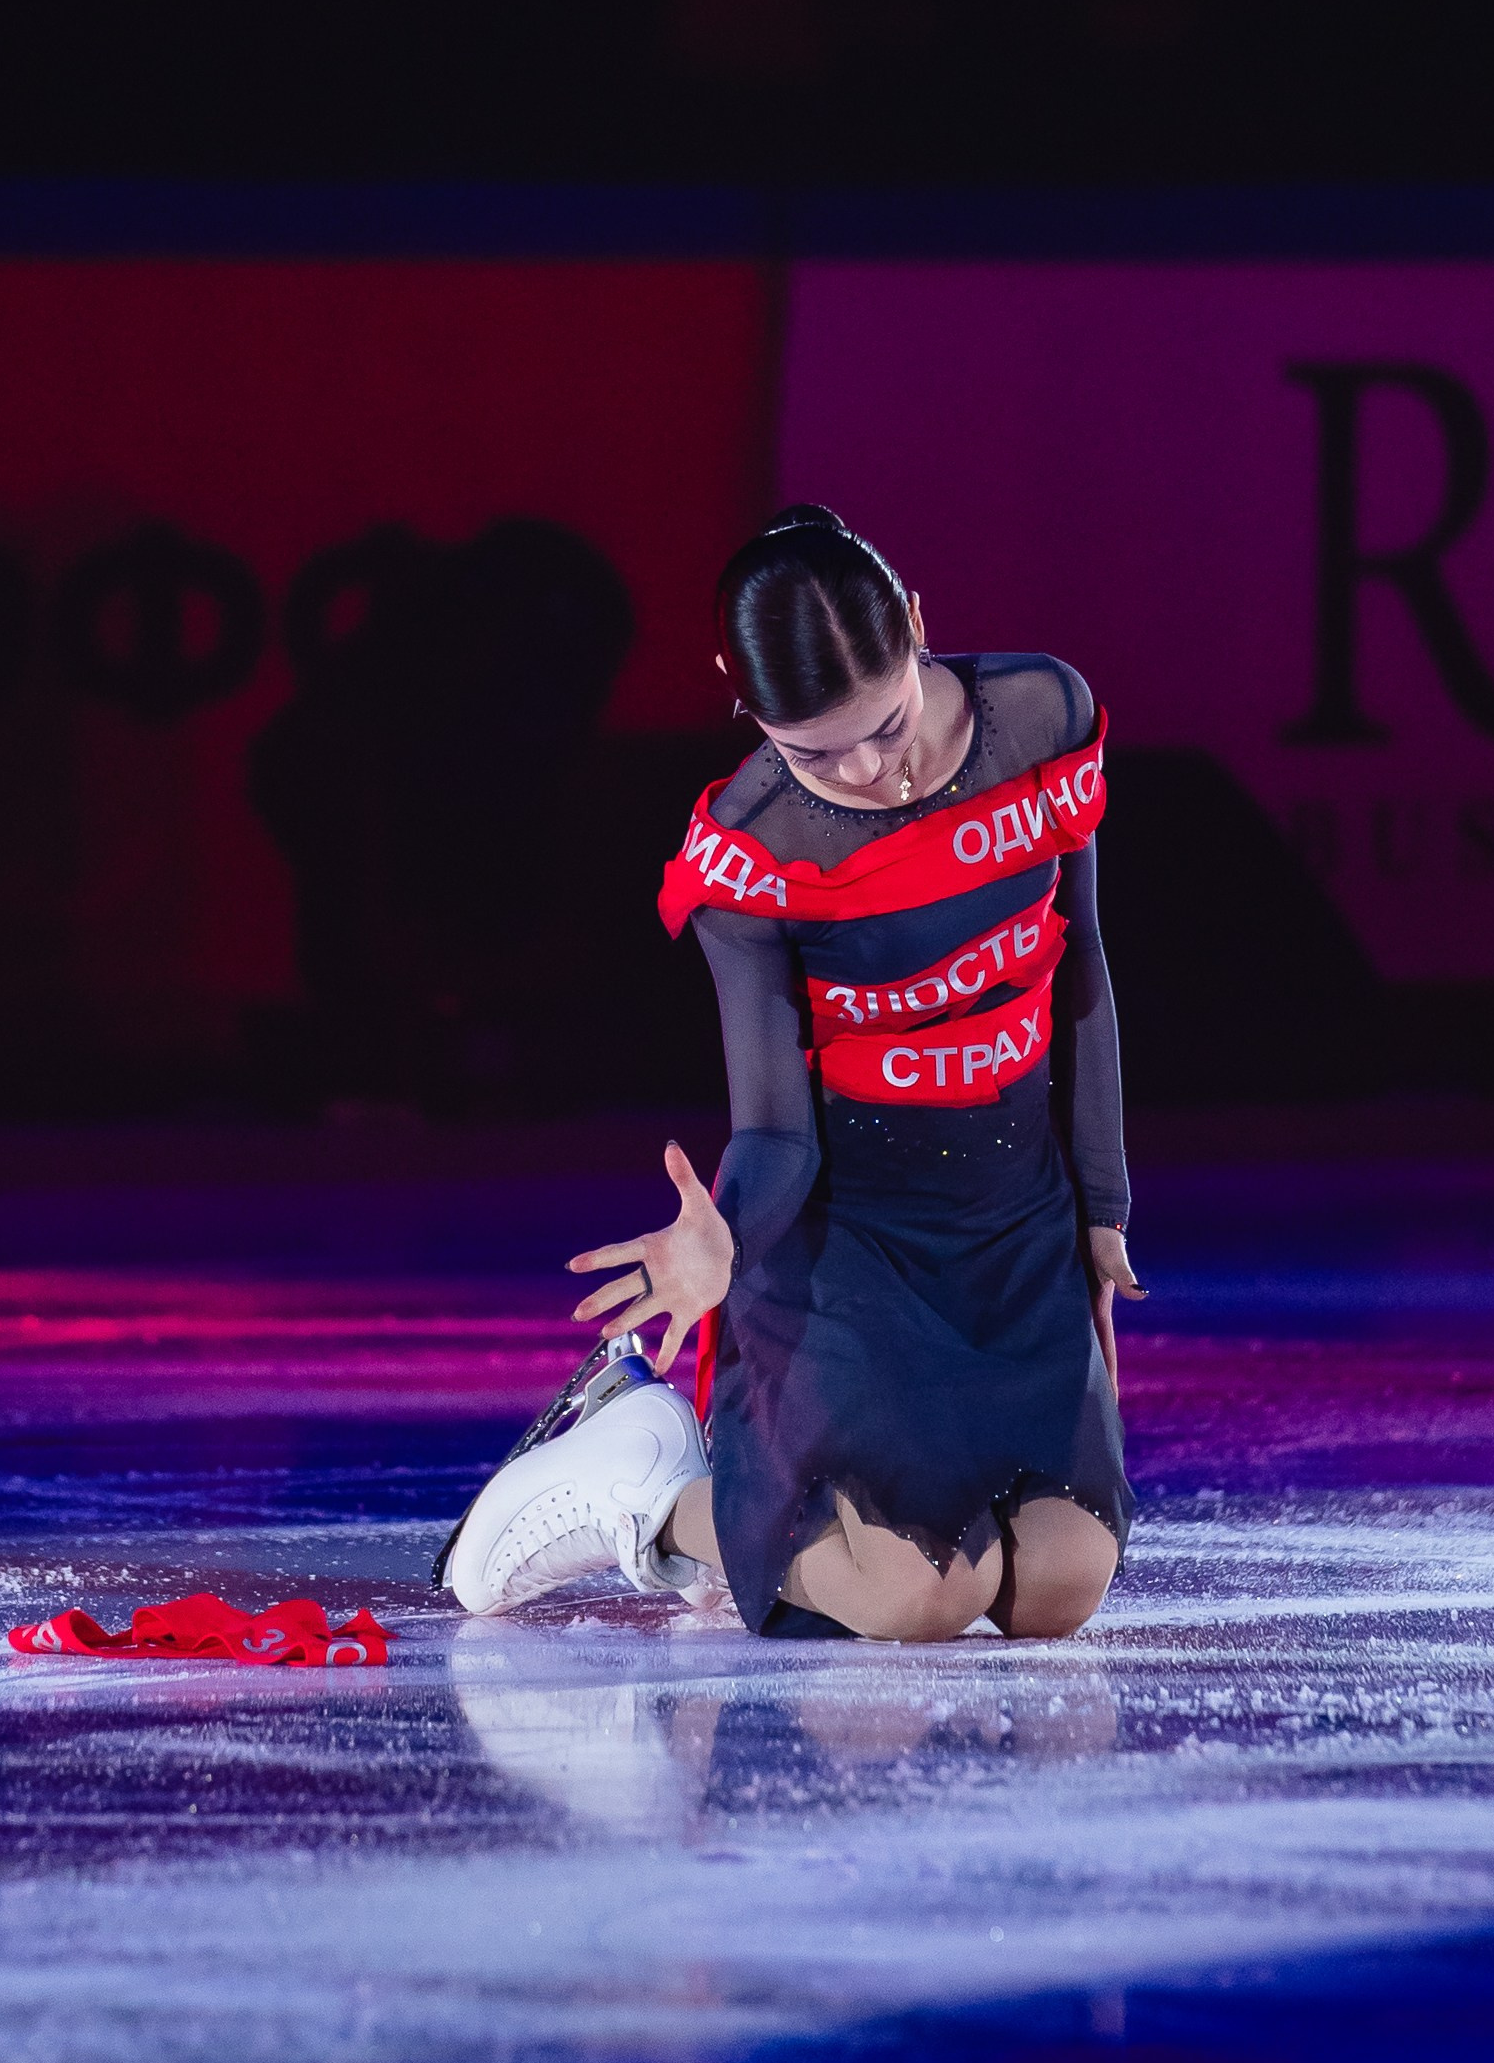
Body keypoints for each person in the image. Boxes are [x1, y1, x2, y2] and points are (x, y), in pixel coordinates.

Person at [439, 505, 1142, 1643]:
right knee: (919, 1602)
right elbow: (775, 1130)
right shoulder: (754, 850)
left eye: (886, 727)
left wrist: (1100, 1208)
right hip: (847, 1244)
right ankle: (655, 1500)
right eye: (812, 749)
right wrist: (722, 1235)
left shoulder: (1041, 716)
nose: (867, 771)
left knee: (1055, 1587)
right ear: (741, 696)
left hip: (1014, 1222)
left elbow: (1083, 973)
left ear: (915, 625)